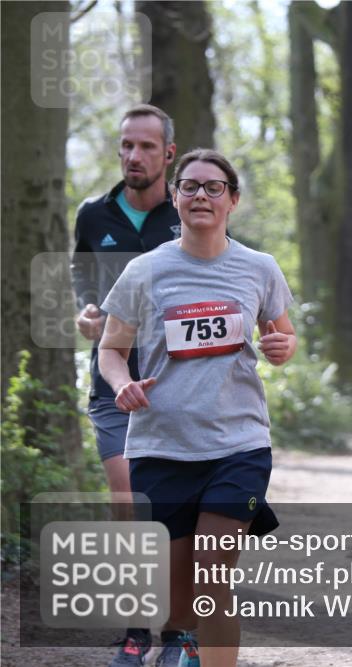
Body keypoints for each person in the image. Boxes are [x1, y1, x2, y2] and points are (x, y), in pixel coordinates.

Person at [98, 149, 296, 667]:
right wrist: (121, 384)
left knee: (213, 574)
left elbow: (284, 336)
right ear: (176, 197)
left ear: (233, 199)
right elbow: (110, 349)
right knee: (177, 590)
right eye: (189, 186)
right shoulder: (146, 271)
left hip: (239, 443)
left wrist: (282, 347)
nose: (200, 196)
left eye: (213, 188)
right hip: (161, 444)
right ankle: (177, 642)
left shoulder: (259, 268)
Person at [70, 103, 181, 667]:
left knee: (174, 508)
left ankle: (180, 628)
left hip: (179, 383)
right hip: (113, 381)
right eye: (125, 146)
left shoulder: (191, 211)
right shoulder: (93, 214)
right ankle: (138, 629)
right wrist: (87, 316)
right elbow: (81, 279)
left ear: (168, 154)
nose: (132, 156)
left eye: (144, 147)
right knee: (129, 499)